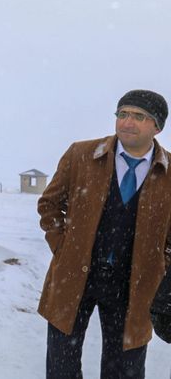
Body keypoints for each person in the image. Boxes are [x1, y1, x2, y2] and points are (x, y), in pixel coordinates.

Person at [37, 89, 171, 378]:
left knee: (124, 370)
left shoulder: (170, 173)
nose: (127, 122)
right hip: (74, 277)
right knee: (62, 366)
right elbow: (49, 205)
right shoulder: (82, 155)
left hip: (135, 285)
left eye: (139, 116)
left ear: (157, 127)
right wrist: (63, 248)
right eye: (122, 114)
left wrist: (160, 265)